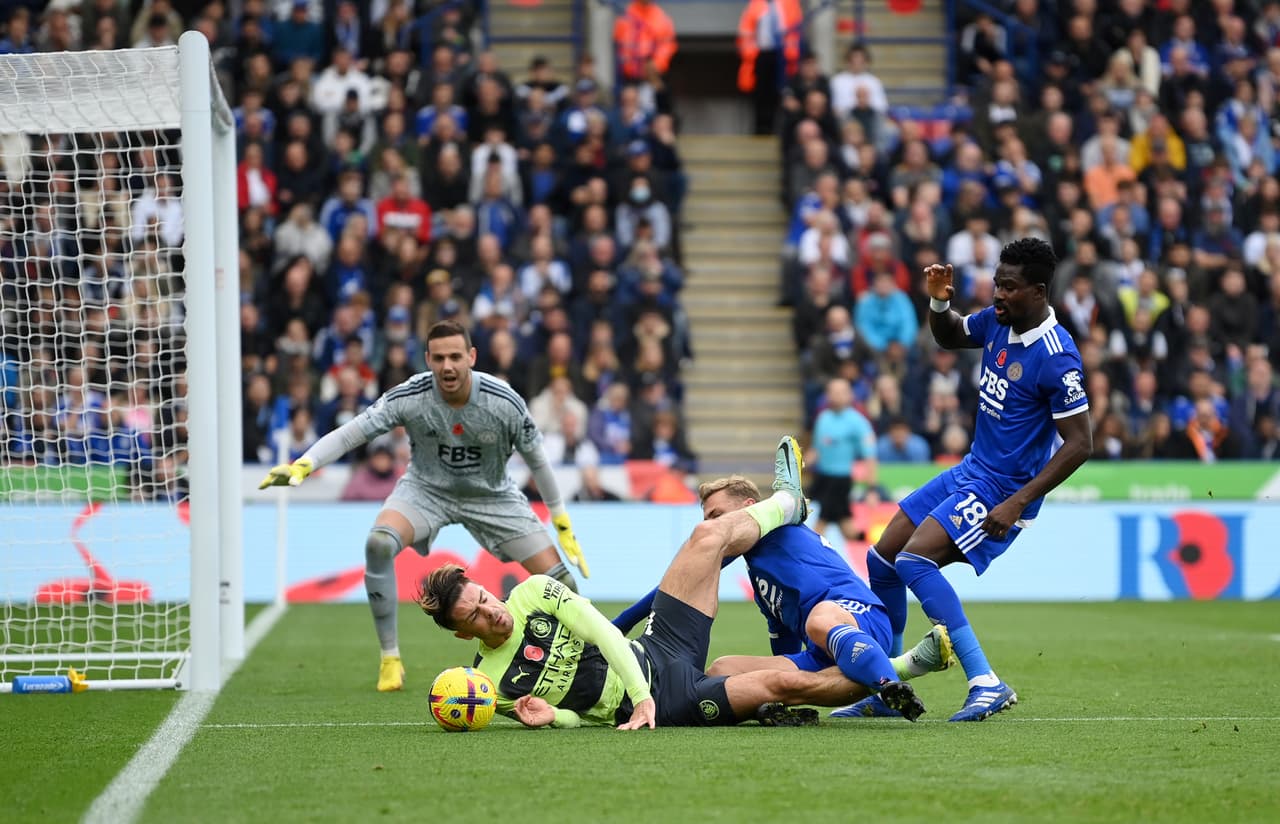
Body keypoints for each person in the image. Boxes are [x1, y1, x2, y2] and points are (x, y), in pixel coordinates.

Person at [417, 437, 925, 728]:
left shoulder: (530, 593)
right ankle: (892, 671)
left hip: (656, 650)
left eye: (483, 598)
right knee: (784, 682)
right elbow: (578, 719)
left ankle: (789, 502)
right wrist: (552, 717)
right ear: (464, 635)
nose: (492, 611)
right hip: (676, 702)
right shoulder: (493, 687)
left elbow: (602, 630)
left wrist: (641, 695)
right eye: (476, 616)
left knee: (707, 537)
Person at [259, 320, 590, 693]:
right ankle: (390, 658)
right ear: (428, 360)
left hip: (492, 496)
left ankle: (586, 656)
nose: (448, 366)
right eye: (439, 358)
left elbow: (537, 459)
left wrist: (560, 519)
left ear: (471, 357)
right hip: (426, 490)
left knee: (563, 582)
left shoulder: (504, 400)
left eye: (455, 357)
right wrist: (305, 463)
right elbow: (356, 430)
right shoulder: (410, 395)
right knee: (379, 543)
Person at [846, 238, 1093, 722]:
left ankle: (986, 681)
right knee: (883, 557)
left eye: (1009, 287)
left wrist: (1018, 503)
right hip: (971, 471)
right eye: (997, 283)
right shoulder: (1000, 322)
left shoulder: (1056, 356)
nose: (998, 294)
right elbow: (951, 334)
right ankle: (887, 687)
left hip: (1002, 490)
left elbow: (1080, 443)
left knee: (915, 561)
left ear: (1038, 291)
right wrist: (939, 300)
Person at [612, 472, 954, 717]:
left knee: (820, 617)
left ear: (750, 508)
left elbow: (670, 590)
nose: (714, 524)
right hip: (825, 649)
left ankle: (889, 682)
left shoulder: (779, 527)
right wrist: (779, 686)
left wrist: (619, 624)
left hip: (858, 616)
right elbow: (785, 647)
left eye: (718, 515)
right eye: (708, 519)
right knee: (720, 669)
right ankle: (782, 709)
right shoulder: (757, 570)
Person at [807, 377, 877, 543]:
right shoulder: (823, 418)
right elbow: (816, 450)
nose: (836, 396)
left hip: (840, 481)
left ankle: (809, 557)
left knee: (819, 526)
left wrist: (871, 489)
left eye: (841, 392)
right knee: (846, 524)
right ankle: (867, 546)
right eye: (833, 392)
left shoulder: (858, 422)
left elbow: (870, 457)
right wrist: (797, 466)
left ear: (849, 395)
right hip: (822, 478)